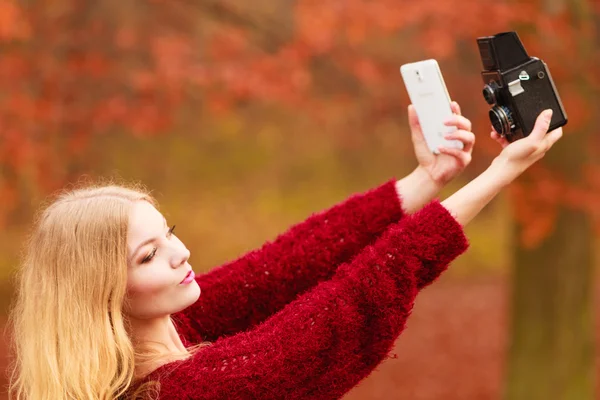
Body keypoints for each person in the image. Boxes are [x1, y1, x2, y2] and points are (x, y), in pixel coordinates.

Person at [7, 104, 562, 400]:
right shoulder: (199, 390)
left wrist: (422, 182)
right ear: (103, 294)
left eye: (168, 232)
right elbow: (347, 305)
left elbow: (282, 267)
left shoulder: (153, 343)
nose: (181, 253)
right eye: (148, 256)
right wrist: (501, 172)